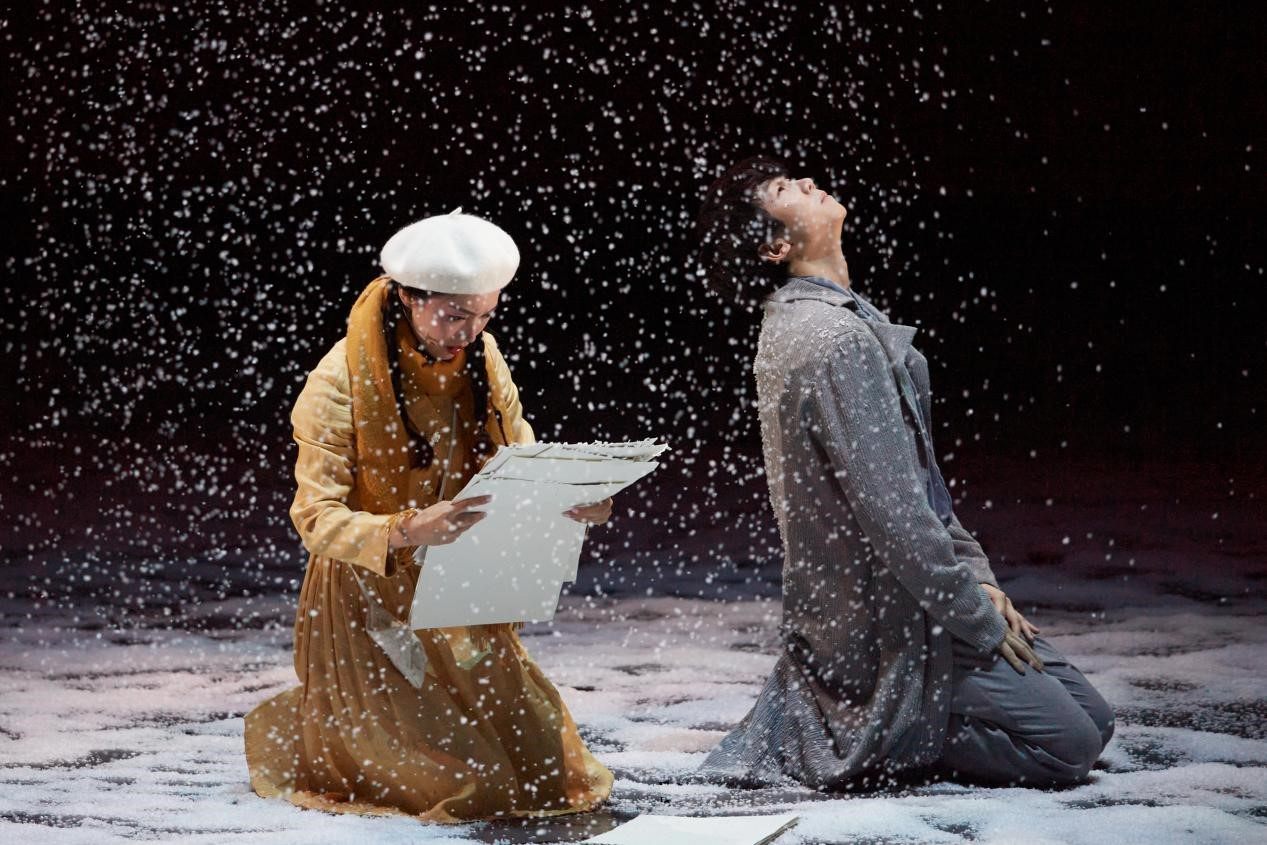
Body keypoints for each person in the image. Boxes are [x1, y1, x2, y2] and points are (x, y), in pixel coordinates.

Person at [692, 157, 1114, 790]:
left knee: (1096, 722)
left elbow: (921, 486)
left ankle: (899, 710)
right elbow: (894, 516)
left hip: (912, 588)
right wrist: (973, 612)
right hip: (888, 617)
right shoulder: (829, 337)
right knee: (1069, 748)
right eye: (783, 190)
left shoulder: (834, 319)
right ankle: (883, 727)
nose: (805, 181)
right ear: (775, 246)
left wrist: (978, 577)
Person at [244, 210, 614, 821]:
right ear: (408, 299)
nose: (470, 332)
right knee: (465, 784)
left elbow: (519, 458)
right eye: (454, 315)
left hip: (454, 581)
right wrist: (409, 528)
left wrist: (566, 499)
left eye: (486, 316)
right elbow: (315, 518)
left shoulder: (480, 358)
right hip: (366, 591)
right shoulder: (339, 380)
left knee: (548, 769)